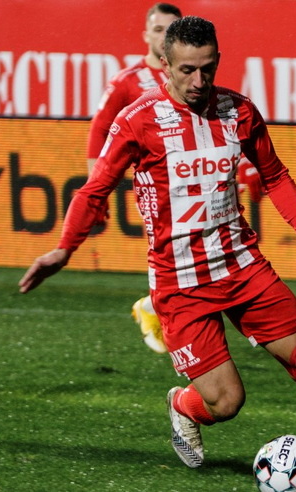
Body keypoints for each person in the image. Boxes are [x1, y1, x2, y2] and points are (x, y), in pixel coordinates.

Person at [20, 16, 296, 484]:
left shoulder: (238, 111)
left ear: (218, 61)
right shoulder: (137, 121)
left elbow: (274, 174)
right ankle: (182, 404)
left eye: (207, 68)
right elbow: (94, 190)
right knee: (226, 403)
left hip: (242, 265)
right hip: (180, 282)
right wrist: (64, 250)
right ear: (165, 64)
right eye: (187, 70)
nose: (199, 81)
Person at [85, 3, 262, 355]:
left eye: (170, 29)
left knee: (211, 248)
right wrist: (97, 193)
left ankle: (165, 313)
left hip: (202, 178)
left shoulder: (194, 75)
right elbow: (99, 132)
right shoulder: (127, 82)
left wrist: (245, 166)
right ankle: (175, 319)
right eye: (157, 29)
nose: (163, 35)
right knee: (175, 255)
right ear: (146, 36)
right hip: (163, 187)